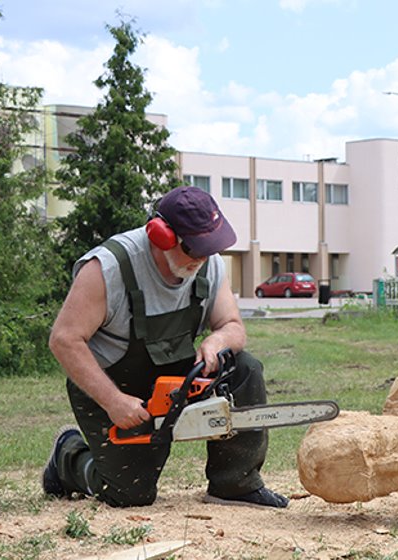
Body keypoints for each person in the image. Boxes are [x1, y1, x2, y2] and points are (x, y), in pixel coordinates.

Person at [43, 185, 288, 509]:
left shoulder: (208, 265)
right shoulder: (109, 268)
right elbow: (64, 339)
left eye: (208, 248)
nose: (202, 258)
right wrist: (113, 400)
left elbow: (232, 326)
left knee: (244, 368)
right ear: (161, 236)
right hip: (115, 384)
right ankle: (68, 457)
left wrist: (217, 341)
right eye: (195, 249)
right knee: (130, 495)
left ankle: (235, 483)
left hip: (176, 375)